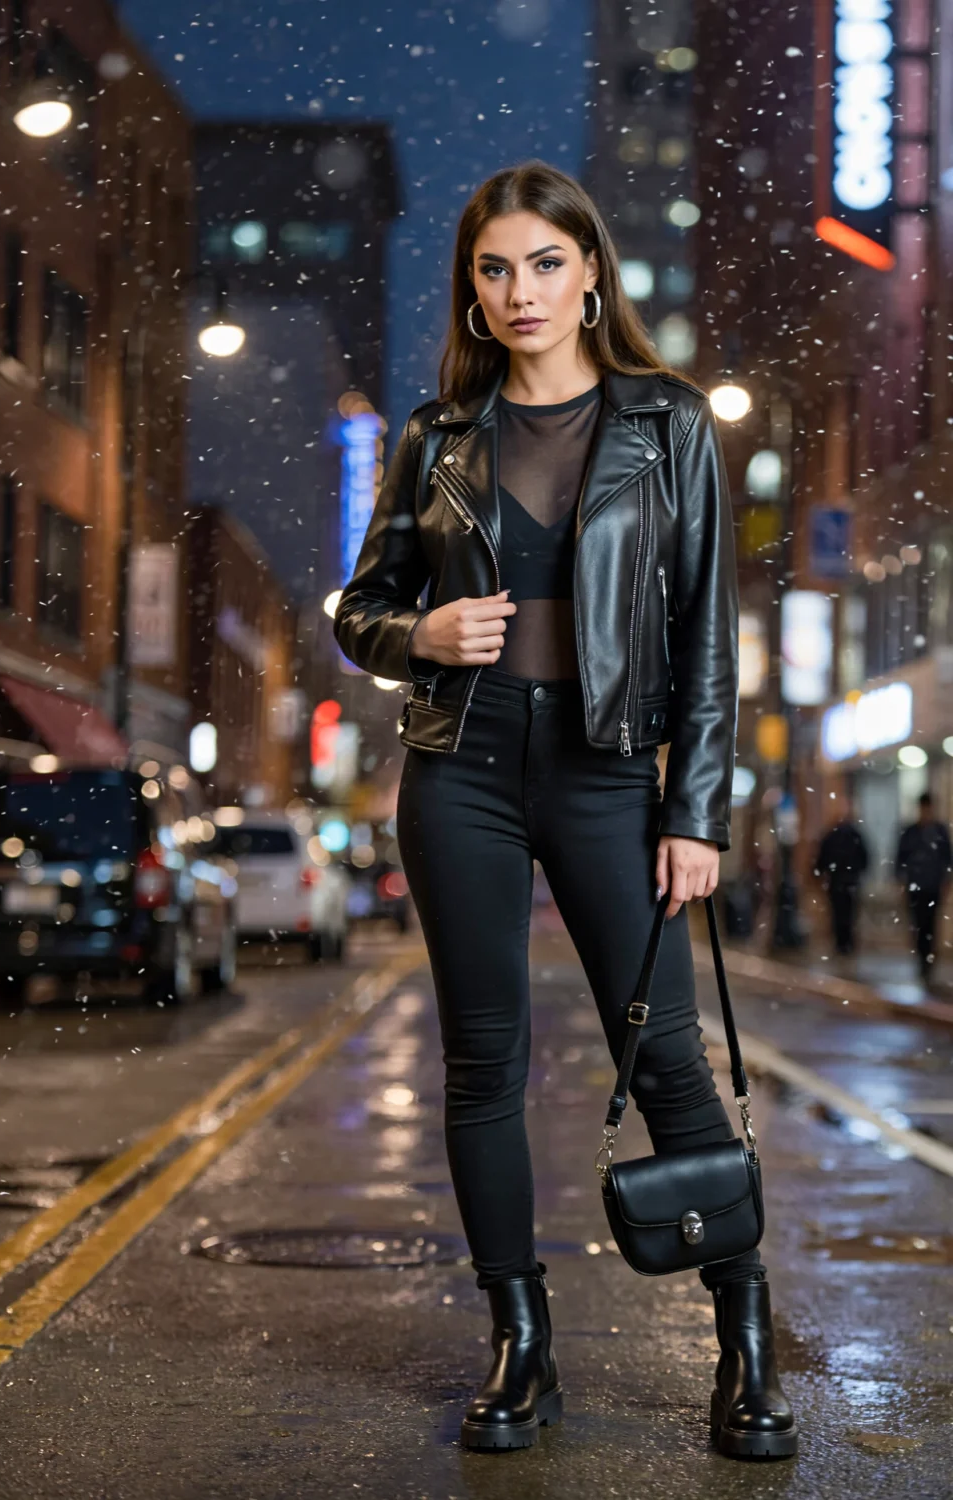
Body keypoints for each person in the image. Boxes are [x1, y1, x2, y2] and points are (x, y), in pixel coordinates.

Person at [333, 162, 797, 1461]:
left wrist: (694, 810)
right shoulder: (436, 437)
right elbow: (356, 612)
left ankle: (745, 1343)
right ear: (472, 294)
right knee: (484, 1063)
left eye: (545, 263)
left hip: (607, 777)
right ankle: (521, 1342)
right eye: (495, 269)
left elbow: (709, 637)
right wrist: (417, 626)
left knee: (669, 1065)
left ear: (592, 272)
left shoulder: (669, 425)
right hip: (460, 771)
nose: (521, 290)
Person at [895, 792, 952, 983]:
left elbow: (947, 859)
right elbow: (901, 860)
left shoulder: (939, 831)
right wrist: (902, 882)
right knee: (919, 924)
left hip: (932, 886)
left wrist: (945, 881)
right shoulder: (911, 832)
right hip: (916, 888)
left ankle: (928, 960)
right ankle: (922, 959)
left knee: (930, 925)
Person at [813, 799, 869, 955]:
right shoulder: (848, 835)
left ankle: (843, 942)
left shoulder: (835, 835)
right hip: (846, 881)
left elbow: (821, 859)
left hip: (840, 880)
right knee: (845, 913)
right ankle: (845, 942)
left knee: (841, 913)